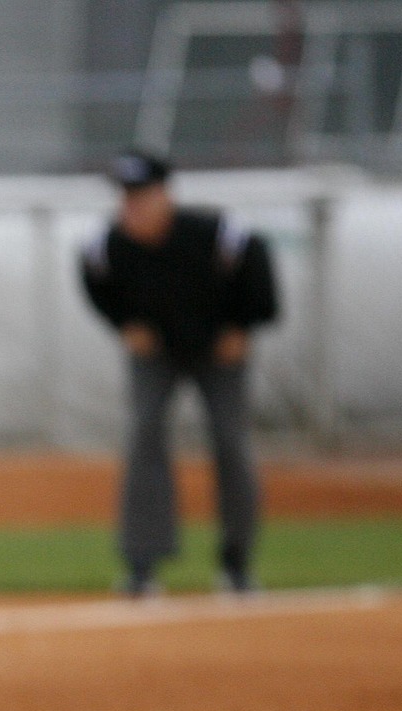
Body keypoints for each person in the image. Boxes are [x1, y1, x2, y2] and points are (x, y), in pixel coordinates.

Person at [80, 150, 279, 596]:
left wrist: (242, 327)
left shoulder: (211, 233)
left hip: (219, 349)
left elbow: (258, 265)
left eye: (141, 196)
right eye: (126, 197)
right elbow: (95, 281)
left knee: (231, 442)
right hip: (157, 353)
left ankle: (237, 563)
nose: (132, 206)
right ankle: (141, 566)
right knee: (143, 436)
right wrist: (124, 324)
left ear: (164, 195)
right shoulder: (110, 245)